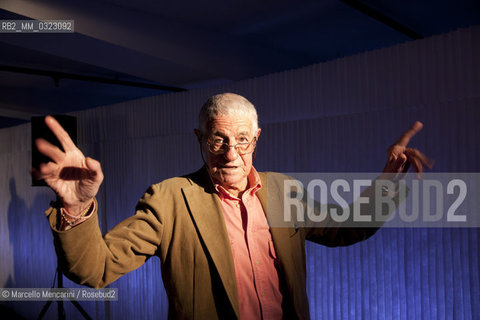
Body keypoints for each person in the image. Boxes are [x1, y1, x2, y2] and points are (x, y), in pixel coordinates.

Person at [35, 93, 431, 319]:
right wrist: (78, 206)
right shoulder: (169, 199)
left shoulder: (283, 192)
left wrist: (388, 179)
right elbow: (95, 269)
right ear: (199, 138)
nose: (230, 153)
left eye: (242, 140)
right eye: (217, 140)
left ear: (256, 139)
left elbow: (349, 227)